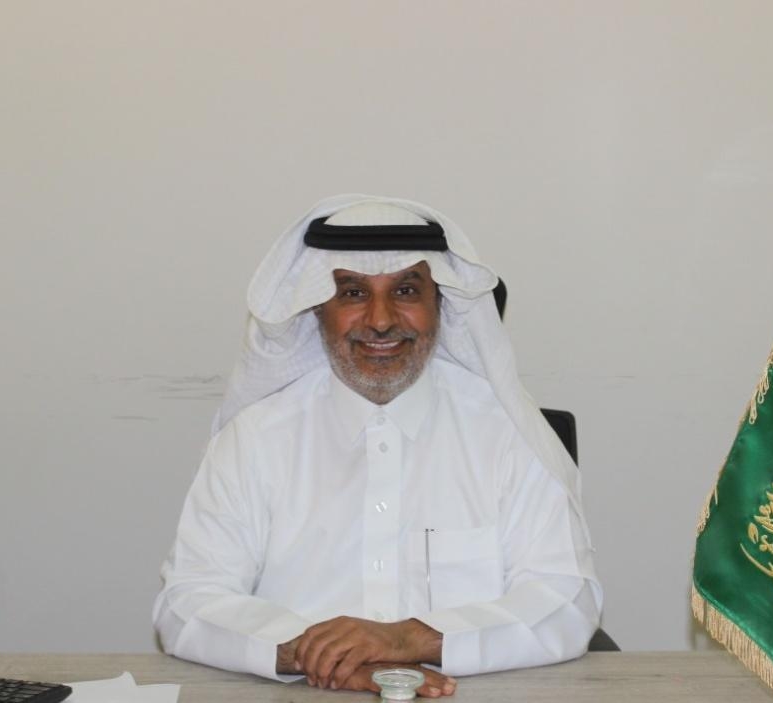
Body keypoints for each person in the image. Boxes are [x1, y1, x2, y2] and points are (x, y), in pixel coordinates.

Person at [153, 195, 602, 697]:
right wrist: (313, 653)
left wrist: (409, 638)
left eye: (406, 290)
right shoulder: (257, 437)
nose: (381, 320)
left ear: (441, 304)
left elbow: (567, 598)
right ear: (317, 308)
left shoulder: (506, 433)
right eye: (352, 293)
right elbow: (187, 601)